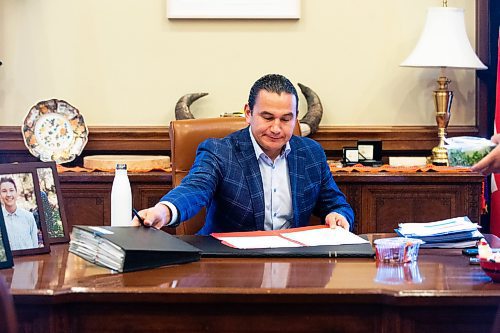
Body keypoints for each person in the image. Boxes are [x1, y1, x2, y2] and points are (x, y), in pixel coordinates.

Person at [134, 74, 354, 234]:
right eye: (267, 117)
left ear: (296, 118)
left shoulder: (311, 153)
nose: (276, 128)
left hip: (292, 265)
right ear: (249, 113)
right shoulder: (219, 151)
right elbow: (194, 189)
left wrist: (338, 216)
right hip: (226, 266)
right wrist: (163, 211)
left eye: (286, 119)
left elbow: (336, 203)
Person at [0, 177, 39, 250]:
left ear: (16, 193)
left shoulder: (28, 216)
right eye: (4, 191)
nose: (8, 194)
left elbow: (35, 246)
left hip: (29, 260)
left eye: (11, 190)